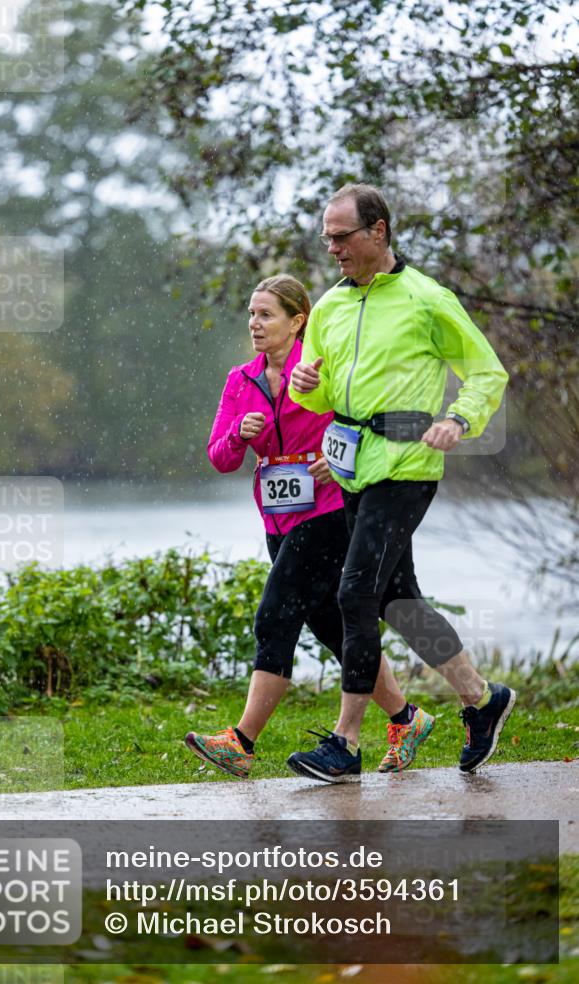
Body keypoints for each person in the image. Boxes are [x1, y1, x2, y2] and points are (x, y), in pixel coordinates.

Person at [287, 183, 516, 780]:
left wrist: (458, 419)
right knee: (397, 600)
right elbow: (322, 396)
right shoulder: (330, 307)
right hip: (353, 466)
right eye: (327, 239)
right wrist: (307, 386)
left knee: (355, 594)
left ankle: (345, 743)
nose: (332, 248)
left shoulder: (426, 298)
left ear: (379, 230)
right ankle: (481, 698)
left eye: (342, 237)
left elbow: (487, 372)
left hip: (407, 465)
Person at [184, 274, 435, 781]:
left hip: (327, 512)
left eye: (266, 314)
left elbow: (365, 424)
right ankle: (406, 718)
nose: (255, 324)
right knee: (333, 628)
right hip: (277, 520)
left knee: (274, 616)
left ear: (298, 320)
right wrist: (239, 434)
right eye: (251, 314)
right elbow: (219, 458)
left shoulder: (321, 368)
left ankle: (241, 742)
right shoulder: (241, 380)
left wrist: (334, 459)